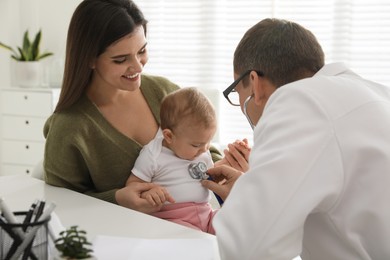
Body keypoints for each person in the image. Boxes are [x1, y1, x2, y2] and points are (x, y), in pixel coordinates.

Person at [202, 18, 390, 259]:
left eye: (237, 92)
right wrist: (252, 187)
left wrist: (246, 202)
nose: (239, 104)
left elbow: (248, 246)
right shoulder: (372, 93)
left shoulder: (298, 101)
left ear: (255, 84)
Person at [43, 0, 249, 215]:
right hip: (121, 239)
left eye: (142, 50)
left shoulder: (164, 91)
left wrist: (226, 165)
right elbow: (58, 205)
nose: (138, 66)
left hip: (191, 230)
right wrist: (117, 198)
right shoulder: (69, 127)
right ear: (89, 59)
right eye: (121, 59)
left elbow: (201, 151)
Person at [127, 87, 220, 234]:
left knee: (235, 224)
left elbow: (213, 176)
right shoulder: (153, 154)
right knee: (191, 242)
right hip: (173, 219)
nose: (204, 149)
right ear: (169, 136)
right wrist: (148, 193)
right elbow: (133, 185)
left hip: (206, 213)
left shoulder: (201, 150)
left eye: (208, 142)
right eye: (196, 145)